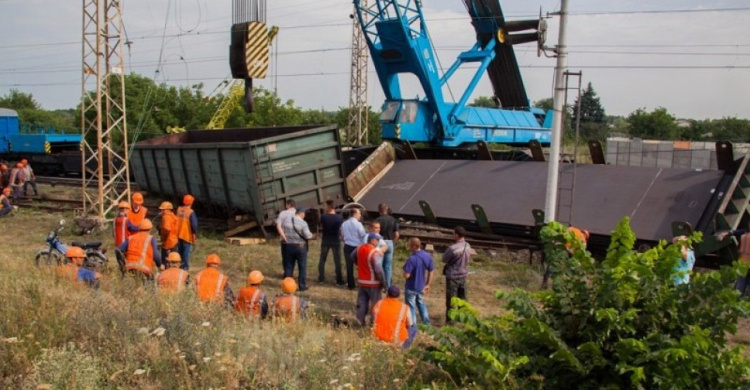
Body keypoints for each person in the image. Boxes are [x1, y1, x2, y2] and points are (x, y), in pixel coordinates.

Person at [356, 233, 386, 326]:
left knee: (362, 302)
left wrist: (360, 265)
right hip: (373, 283)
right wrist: (383, 282)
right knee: (375, 304)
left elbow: (352, 256)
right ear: (372, 240)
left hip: (362, 281)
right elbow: (378, 269)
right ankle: (374, 323)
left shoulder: (359, 248)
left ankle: (359, 321)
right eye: (377, 240)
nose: (378, 242)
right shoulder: (374, 252)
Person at [442, 226, 471, 323]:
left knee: (451, 300)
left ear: (457, 235)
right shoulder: (468, 245)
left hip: (452, 276)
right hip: (463, 274)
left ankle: (450, 321)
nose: (452, 235)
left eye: (453, 234)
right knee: (462, 299)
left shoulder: (452, 248)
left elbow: (444, 259)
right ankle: (462, 319)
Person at [281, 206, 314, 291]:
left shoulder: (286, 221)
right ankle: (302, 286)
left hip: (288, 246)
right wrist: (312, 235)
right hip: (300, 247)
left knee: (289, 266)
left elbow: (282, 231)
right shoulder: (303, 223)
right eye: (304, 214)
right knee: (302, 267)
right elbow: (308, 236)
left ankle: (287, 286)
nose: (304, 216)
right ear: (301, 213)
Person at [403, 237, 434, 326]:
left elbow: (406, 275)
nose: (409, 247)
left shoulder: (411, 259)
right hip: (421, 286)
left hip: (411, 287)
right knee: (421, 304)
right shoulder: (427, 256)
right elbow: (431, 270)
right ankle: (427, 324)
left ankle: (413, 326)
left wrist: (406, 275)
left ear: (414, 246)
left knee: (411, 307)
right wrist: (428, 284)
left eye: (410, 245)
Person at [318, 200, 344, 285]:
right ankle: (339, 280)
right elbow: (341, 229)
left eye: (326, 206)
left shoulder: (323, 216)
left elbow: (321, 225)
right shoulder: (339, 218)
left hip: (326, 239)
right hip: (335, 240)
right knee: (337, 260)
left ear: (329, 206)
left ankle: (321, 278)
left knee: (322, 259)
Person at [341, 207, 367, 290]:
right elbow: (363, 235)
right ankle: (362, 282)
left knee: (349, 266)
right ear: (355, 214)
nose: (360, 215)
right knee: (360, 266)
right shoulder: (358, 224)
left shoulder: (344, 223)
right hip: (357, 247)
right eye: (359, 213)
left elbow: (342, 235)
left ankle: (350, 284)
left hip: (347, 245)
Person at [376, 203, 400, 287]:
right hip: (390, 243)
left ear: (379, 210)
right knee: (388, 267)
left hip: (380, 243)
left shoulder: (377, 220)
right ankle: (388, 286)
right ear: (387, 209)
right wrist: (392, 242)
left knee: (380, 266)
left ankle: (380, 284)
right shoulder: (393, 220)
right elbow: (397, 234)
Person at [175, 194, 198, 270]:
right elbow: (194, 225)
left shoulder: (179, 209)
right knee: (186, 253)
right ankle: (185, 268)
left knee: (179, 252)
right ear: (191, 202)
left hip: (178, 234)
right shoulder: (191, 212)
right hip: (186, 235)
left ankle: (178, 267)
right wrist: (195, 233)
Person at [276, 199, 297, 274]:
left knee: (286, 258)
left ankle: (287, 274)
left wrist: (283, 236)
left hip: (285, 240)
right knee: (294, 258)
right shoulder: (298, 213)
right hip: (296, 240)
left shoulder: (283, 213)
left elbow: (278, 226)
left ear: (288, 205)